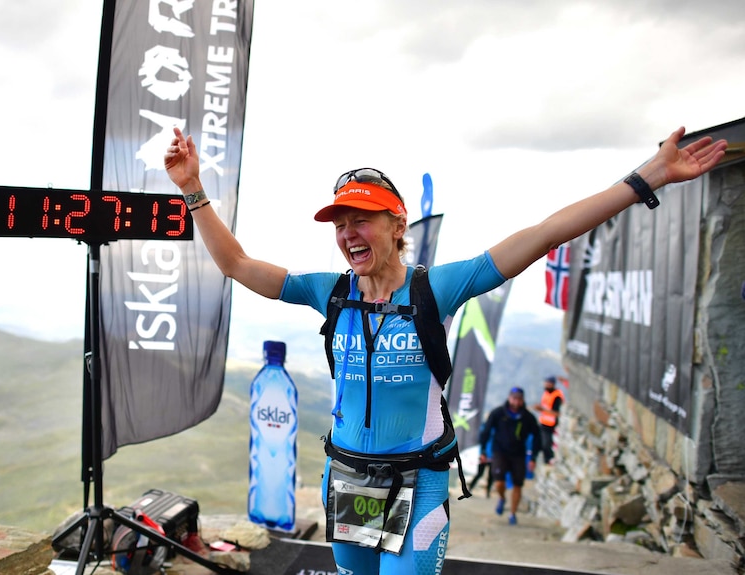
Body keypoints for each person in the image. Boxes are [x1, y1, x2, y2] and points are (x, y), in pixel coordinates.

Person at [165, 126, 726, 574]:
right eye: (340, 222)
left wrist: (645, 177)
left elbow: (547, 232)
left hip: (419, 481)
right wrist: (193, 188)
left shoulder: (436, 288)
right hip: (350, 479)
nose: (348, 232)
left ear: (396, 223)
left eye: (361, 218)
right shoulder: (327, 292)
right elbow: (238, 265)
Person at [478, 387, 542, 525]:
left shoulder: (528, 417)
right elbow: (486, 431)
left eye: (519, 399)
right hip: (500, 451)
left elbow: (537, 436)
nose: (516, 401)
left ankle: (513, 514)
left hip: (519, 453)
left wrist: (533, 458)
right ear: (509, 398)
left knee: (518, 484)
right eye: (514, 398)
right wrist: (483, 451)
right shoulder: (498, 413)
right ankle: (502, 497)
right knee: (499, 481)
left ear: (522, 400)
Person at [533, 375, 565, 464]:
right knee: (540, 443)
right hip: (543, 422)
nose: (546, 385)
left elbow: (557, 413)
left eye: (548, 383)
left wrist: (542, 409)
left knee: (547, 444)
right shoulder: (546, 393)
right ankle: (545, 460)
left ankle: (549, 460)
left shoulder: (557, 396)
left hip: (551, 424)